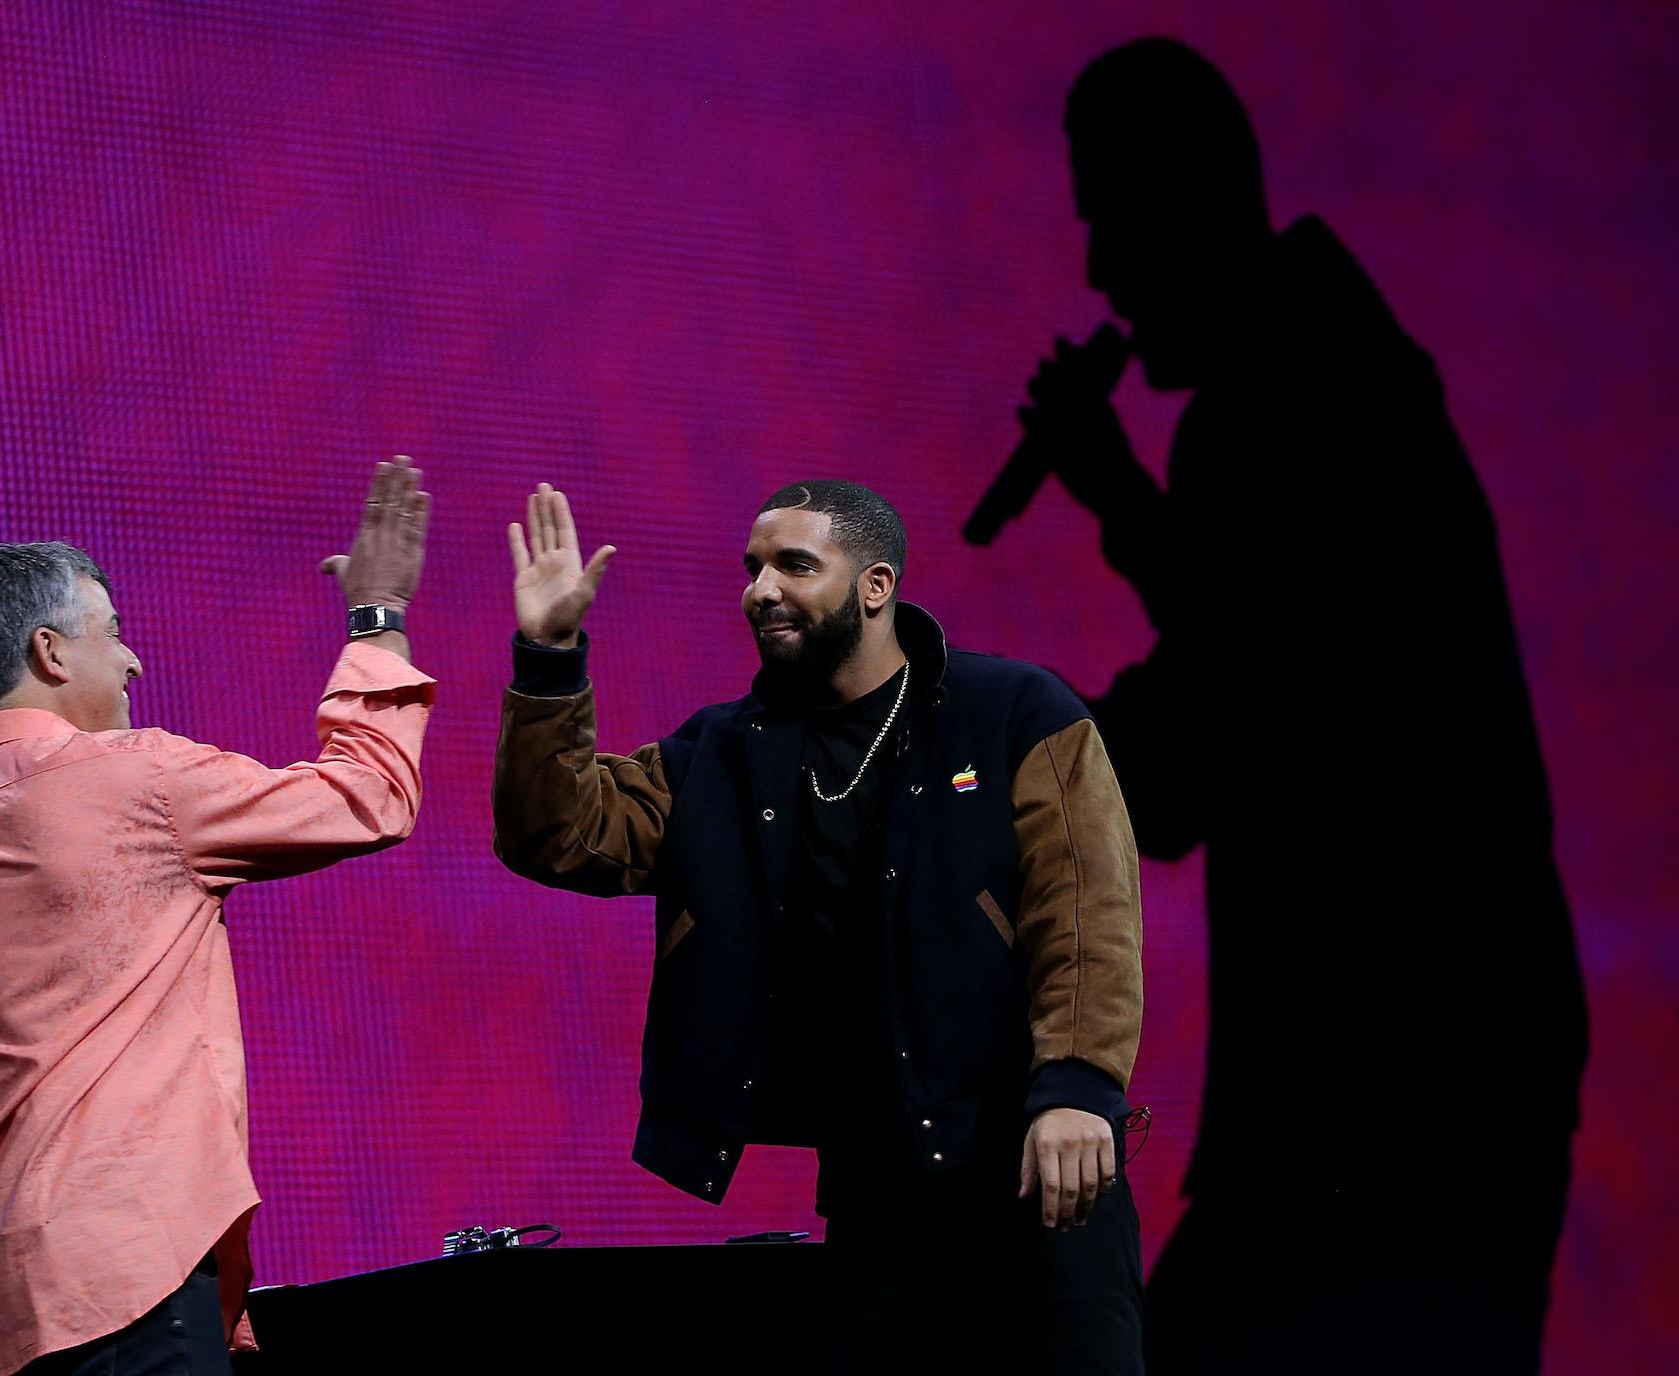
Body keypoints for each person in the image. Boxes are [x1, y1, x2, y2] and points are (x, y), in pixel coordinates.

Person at [1016, 38, 1587, 1372]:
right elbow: (1268, 659)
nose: (1099, 272)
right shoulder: (1337, 364)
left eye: (1111, 218)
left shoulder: (1283, 394)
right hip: (1440, 1073)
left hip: (1391, 1090)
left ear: (1183, 202)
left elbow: (1232, 720)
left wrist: (999, 756)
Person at [0, 458, 435, 1375]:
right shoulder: (144, 782)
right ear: (51, 652)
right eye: (115, 633)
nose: (135, 658)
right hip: (134, 1286)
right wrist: (378, 616)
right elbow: (371, 796)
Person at [492, 480, 1144, 1369]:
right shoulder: (721, 752)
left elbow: (1086, 910)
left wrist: (1075, 1087)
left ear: (875, 586)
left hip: (1035, 1166)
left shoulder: (1013, 713)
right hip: (877, 1188)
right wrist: (551, 653)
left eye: (795, 565)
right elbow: (559, 836)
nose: (762, 589)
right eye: (753, 568)